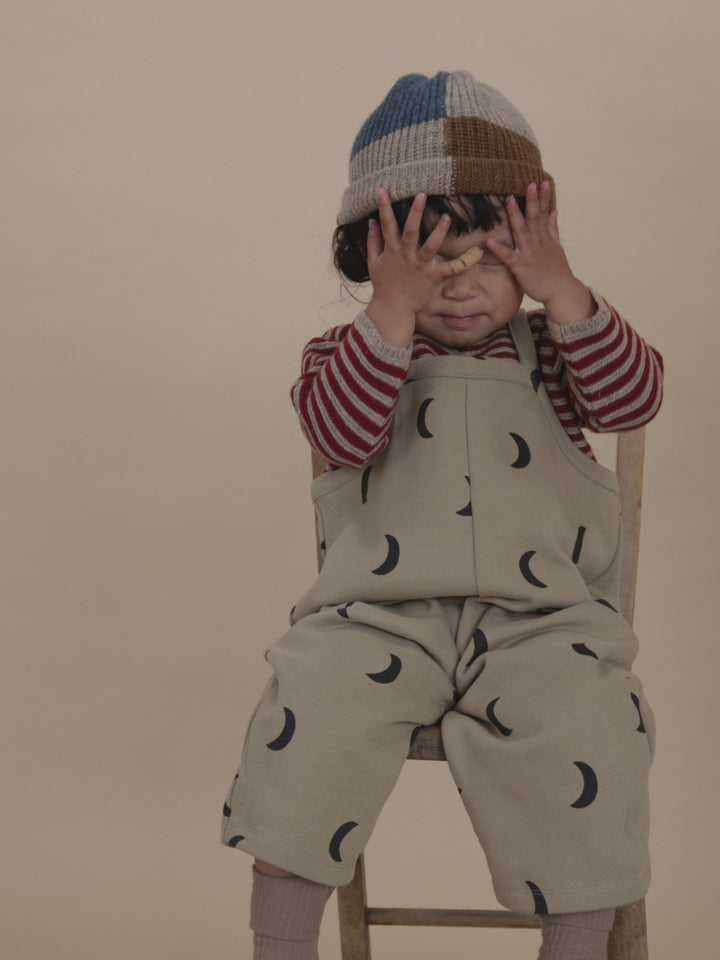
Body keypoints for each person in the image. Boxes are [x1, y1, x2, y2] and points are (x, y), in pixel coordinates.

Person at [221, 70, 663, 960]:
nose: (461, 288)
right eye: (429, 264)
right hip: (377, 618)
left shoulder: (561, 350)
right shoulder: (354, 353)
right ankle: (281, 948)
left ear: (528, 253)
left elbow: (636, 401)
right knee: (306, 705)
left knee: (597, 721)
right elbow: (338, 431)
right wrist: (390, 312)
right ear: (374, 259)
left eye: (492, 261)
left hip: (544, 622)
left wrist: (564, 289)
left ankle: (576, 946)